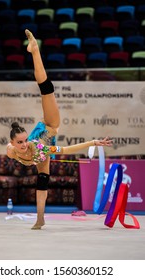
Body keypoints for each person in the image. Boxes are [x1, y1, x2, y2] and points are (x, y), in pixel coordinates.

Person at [7, 29, 112, 230]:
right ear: (13, 143)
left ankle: (35, 50)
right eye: (19, 142)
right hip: (38, 155)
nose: (22, 144)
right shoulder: (11, 150)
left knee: (46, 88)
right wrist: (17, 148)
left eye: (23, 141)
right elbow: (11, 145)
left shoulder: (38, 148)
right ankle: (41, 217)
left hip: (49, 127)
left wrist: (93, 142)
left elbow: (68, 150)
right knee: (43, 177)